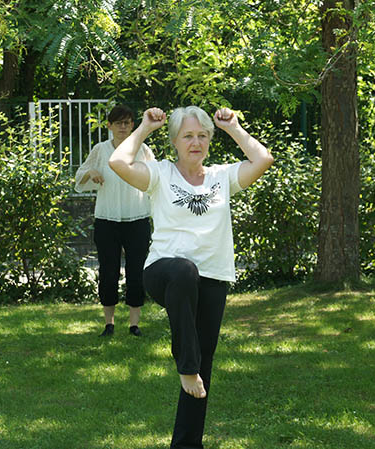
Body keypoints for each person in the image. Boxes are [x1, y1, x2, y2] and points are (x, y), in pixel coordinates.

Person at [109, 106, 273, 448]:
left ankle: (186, 443)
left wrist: (234, 128)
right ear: (174, 142)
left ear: (210, 141)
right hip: (165, 272)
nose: (195, 142)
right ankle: (185, 363)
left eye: (202, 135)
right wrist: (143, 128)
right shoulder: (159, 173)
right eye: (188, 136)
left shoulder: (221, 176)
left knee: (204, 364)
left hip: (212, 278)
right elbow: (118, 163)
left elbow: (263, 160)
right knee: (185, 272)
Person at [75, 105, 155, 337]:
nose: (123, 127)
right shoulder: (100, 150)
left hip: (137, 219)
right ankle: (109, 324)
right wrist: (91, 174)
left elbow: (155, 178)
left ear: (133, 125)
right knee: (108, 272)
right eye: (118, 122)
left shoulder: (142, 150)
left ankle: (134, 324)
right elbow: (80, 176)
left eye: (128, 122)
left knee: (136, 271)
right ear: (108, 125)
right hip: (107, 220)